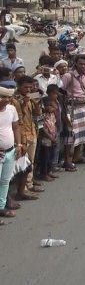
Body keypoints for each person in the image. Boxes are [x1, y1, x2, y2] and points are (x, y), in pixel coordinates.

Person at [0, 85, 18, 224]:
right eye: (2, 97)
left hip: (10, 151)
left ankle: (1, 207)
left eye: (7, 97)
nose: (5, 100)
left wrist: (19, 145)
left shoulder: (11, 109)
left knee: (5, 181)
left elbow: (15, 127)